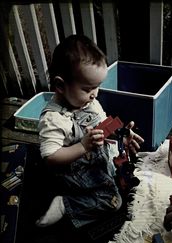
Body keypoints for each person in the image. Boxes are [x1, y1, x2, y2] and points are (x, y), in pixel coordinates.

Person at [35, 34, 144, 229]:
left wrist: (122, 136)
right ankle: (66, 205)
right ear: (60, 85)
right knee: (113, 202)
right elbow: (50, 157)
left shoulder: (90, 102)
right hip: (75, 173)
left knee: (125, 171)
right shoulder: (53, 119)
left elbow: (104, 126)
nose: (94, 94)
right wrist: (83, 145)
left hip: (97, 158)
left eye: (97, 87)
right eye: (87, 88)